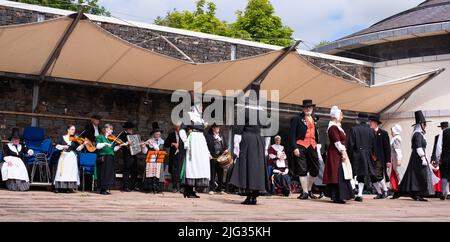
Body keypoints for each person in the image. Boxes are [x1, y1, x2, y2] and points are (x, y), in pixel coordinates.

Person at [230, 92, 270, 205]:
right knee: (257, 167)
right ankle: (254, 197)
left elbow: (238, 130)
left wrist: (236, 146)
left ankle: (249, 196)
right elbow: (267, 131)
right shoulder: (263, 113)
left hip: (247, 139)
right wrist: (266, 146)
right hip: (260, 140)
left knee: (247, 166)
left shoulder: (244, 112)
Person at [392, 111, 435, 201]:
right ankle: (417, 193)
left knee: (415, 175)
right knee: (419, 175)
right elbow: (419, 147)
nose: (425, 126)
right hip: (418, 157)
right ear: (421, 124)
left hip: (419, 156)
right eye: (424, 124)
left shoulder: (419, 134)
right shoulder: (417, 134)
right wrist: (423, 157)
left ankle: (415, 193)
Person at [179, 96, 211, 198]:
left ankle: (192, 190)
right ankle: (187, 190)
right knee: (191, 164)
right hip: (193, 140)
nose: (202, 108)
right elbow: (182, 129)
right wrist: (185, 141)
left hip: (200, 141)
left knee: (199, 164)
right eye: (200, 106)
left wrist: (207, 151)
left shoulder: (201, 119)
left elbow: (202, 133)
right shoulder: (188, 116)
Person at [290, 99, 320, 200]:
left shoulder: (314, 119)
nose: (308, 109)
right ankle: (305, 192)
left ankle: (309, 189)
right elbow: (292, 135)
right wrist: (295, 147)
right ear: (303, 109)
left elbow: (316, 133)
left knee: (315, 169)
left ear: (312, 108)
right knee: (302, 170)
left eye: (310, 107)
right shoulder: (297, 119)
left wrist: (318, 144)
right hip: (301, 145)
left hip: (312, 145)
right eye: (306, 107)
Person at [323, 106, 354, 204]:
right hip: (335, 153)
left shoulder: (336, 127)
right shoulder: (332, 127)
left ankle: (340, 196)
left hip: (338, 152)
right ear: (336, 116)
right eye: (341, 115)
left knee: (341, 173)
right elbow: (337, 142)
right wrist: (343, 152)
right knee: (338, 173)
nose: (342, 117)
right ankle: (337, 196)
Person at [347, 112, 376, 202]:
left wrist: (349, 155)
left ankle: (352, 191)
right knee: (362, 175)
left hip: (356, 154)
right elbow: (374, 145)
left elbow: (350, 145)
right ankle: (359, 193)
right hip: (366, 155)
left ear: (359, 120)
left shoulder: (354, 129)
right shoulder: (371, 131)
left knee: (352, 173)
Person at [53, 125, 85, 193]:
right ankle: (58, 187)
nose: (73, 131)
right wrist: (63, 146)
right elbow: (57, 145)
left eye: (74, 130)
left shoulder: (75, 139)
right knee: (62, 172)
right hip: (64, 156)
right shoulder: (62, 137)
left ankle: (69, 188)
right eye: (72, 129)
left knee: (70, 172)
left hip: (71, 156)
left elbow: (78, 149)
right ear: (68, 130)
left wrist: (83, 145)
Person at [95, 124, 126, 195]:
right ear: (106, 129)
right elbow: (97, 146)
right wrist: (105, 143)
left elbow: (114, 149)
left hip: (110, 157)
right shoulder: (99, 137)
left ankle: (106, 188)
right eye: (110, 129)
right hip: (103, 157)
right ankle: (102, 189)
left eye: (112, 129)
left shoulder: (111, 139)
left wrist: (120, 146)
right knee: (103, 173)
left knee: (109, 173)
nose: (112, 131)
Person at [369, 114, 391, 199]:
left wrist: (388, 160)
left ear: (375, 123)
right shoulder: (369, 133)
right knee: (372, 177)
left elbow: (387, 148)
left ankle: (385, 190)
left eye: (371, 122)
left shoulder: (383, 133)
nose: (370, 123)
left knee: (378, 175)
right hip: (370, 158)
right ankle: (379, 192)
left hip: (379, 159)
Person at [142, 122, 165, 193]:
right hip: (151, 160)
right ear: (154, 134)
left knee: (158, 174)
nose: (158, 135)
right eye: (157, 134)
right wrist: (143, 146)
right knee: (150, 173)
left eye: (159, 134)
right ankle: (149, 188)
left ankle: (158, 188)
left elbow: (158, 149)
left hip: (158, 160)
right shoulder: (149, 140)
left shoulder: (162, 141)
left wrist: (152, 143)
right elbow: (145, 152)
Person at [206, 123, 228, 195]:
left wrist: (225, 150)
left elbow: (225, 145)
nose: (218, 129)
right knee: (212, 173)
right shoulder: (209, 136)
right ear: (213, 128)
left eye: (218, 127)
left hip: (220, 157)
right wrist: (208, 154)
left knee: (220, 173)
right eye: (216, 127)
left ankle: (220, 189)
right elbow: (207, 146)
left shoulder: (221, 136)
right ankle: (211, 189)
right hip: (213, 157)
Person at [118, 121, 138, 192]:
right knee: (127, 170)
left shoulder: (133, 135)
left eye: (131, 129)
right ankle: (125, 186)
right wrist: (127, 144)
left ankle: (133, 185)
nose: (131, 130)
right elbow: (121, 143)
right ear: (126, 129)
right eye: (130, 128)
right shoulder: (123, 135)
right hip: (127, 155)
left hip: (133, 154)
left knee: (134, 170)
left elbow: (135, 143)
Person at [164, 122, 183, 193]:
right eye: (178, 127)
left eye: (180, 127)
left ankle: (181, 187)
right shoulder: (171, 135)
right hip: (174, 156)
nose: (179, 129)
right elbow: (166, 144)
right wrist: (172, 144)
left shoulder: (183, 135)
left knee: (181, 171)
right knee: (174, 172)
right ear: (176, 128)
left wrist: (180, 145)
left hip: (181, 156)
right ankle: (175, 187)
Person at [435, 121, 450, 200]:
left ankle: (444, 192)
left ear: (442, 127)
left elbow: (439, 147)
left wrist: (438, 158)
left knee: (444, 175)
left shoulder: (442, 133)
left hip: (445, 156)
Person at [389, 124, 403, 193]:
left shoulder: (396, 139)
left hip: (395, 158)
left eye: (392, 131)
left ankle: (401, 188)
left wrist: (399, 159)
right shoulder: (395, 138)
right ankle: (397, 188)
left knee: (398, 173)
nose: (391, 132)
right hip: (394, 158)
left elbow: (398, 150)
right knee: (396, 173)